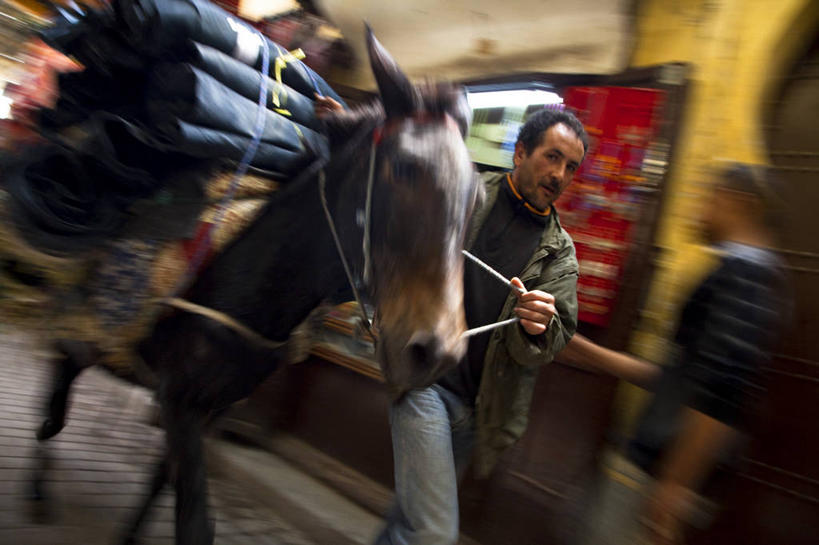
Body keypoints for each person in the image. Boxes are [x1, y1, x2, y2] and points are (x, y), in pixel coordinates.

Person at [317, 94, 588, 544]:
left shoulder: (561, 255)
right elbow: (396, 226)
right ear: (521, 152)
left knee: (408, 521)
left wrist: (536, 324)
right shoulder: (461, 190)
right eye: (552, 157)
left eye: (571, 167)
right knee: (435, 531)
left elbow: (550, 341)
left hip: (480, 413)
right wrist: (353, 127)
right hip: (425, 378)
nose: (559, 175)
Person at [564, 163, 791, 544]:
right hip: (653, 467)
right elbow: (681, 374)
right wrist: (587, 352)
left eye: (711, 198)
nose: (702, 208)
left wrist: (674, 485)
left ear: (741, 204)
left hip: (655, 471)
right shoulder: (744, 275)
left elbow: (721, 394)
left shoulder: (746, 280)